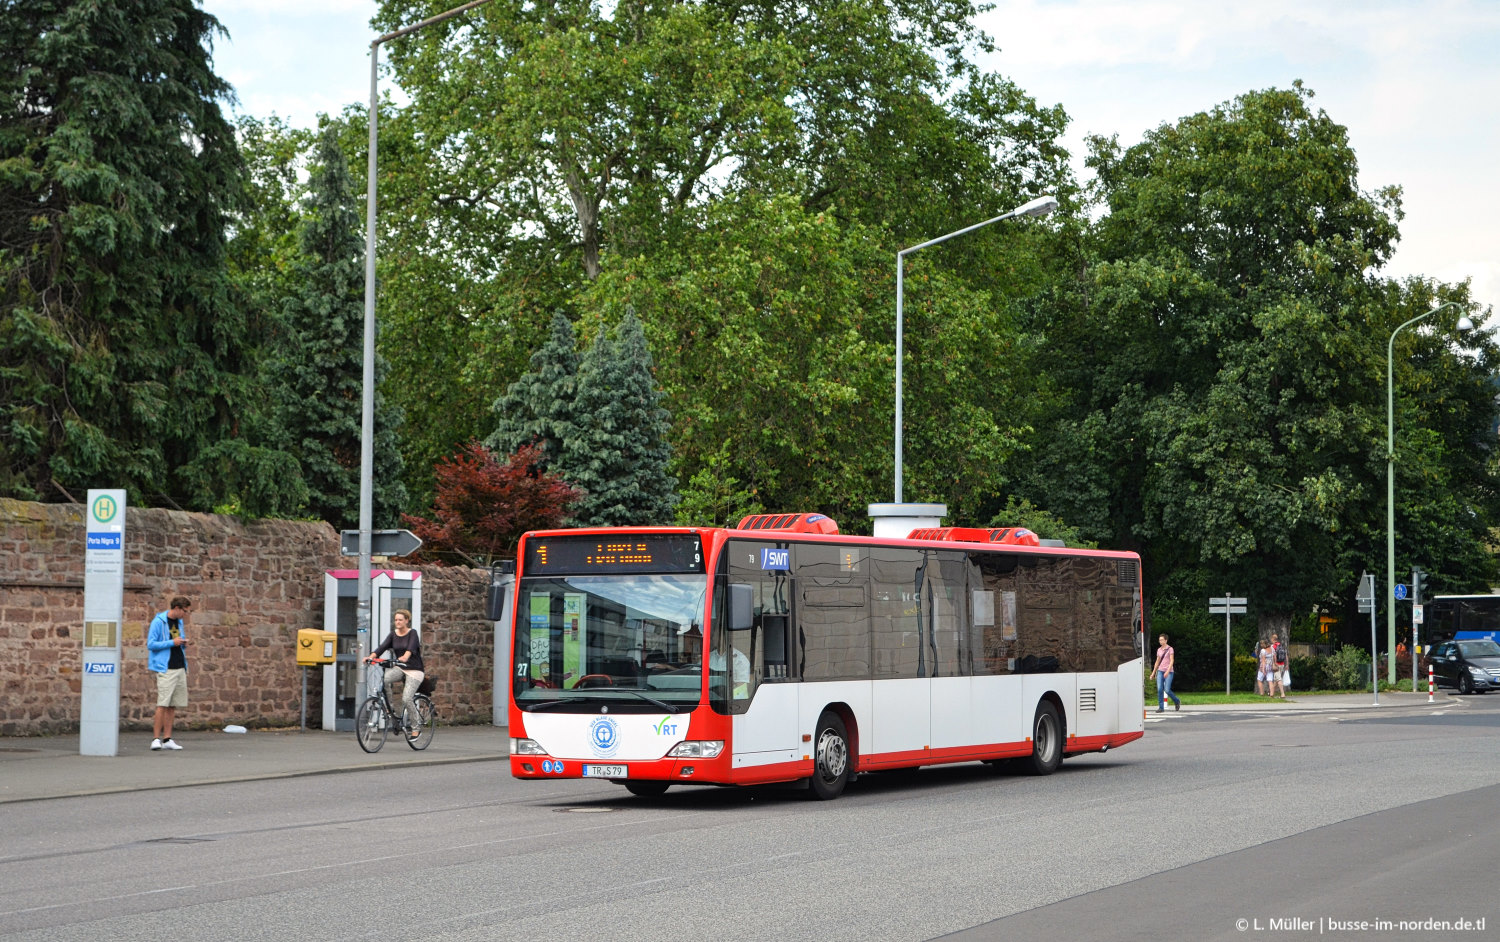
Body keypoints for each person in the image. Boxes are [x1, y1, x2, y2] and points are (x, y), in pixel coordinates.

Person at [366, 610, 424, 736]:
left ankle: (416, 727)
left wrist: (405, 656)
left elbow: (411, 647)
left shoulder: (412, 633)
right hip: (400, 668)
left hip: (414, 670)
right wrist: (371, 657)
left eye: (400, 620)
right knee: (385, 680)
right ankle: (389, 707)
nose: (397, 622)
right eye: (396, 620)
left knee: (407, 698)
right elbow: (382, 647)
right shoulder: (393, 635)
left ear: (406, 621)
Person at [146, 596, 192, 751]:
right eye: (185, 611)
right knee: (162, 703)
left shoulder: (179, 622)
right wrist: (172, 643)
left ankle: (167, 738)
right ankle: (155, 739)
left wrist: (183, 643)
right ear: (177, 608)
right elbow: (151, 644)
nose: (186, 614)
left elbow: (178, 640)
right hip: (166, 668)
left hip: (179, 666)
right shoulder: (158, 622)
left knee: (172, 705)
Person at [1152, 633, 1180, 712]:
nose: (1160, 641)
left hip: (1169, 672)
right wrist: (1153, 673)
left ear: (1166, 640)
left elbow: (1172, 661)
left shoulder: (1170, 649)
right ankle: (1161, 707)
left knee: (1167, 690)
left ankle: (1177, 701)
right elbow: (1157, 662)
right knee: (1160, 689)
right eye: (1159, 640)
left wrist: (1168, 671)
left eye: (1161, 640)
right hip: (1160, 671)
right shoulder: (1159, 650)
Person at [1270, 632, 1287, 699]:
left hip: (1276, 665)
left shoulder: (1273, 646)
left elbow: (1273, 656)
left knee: (1279, 679)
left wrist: (1274, 664)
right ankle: (1272, 694)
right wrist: (1286, 664)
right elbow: (1285, 655)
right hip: (1282, 664)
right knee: (1275, 680)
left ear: (1273, 639)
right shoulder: (1281, 645)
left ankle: (1282, 694)